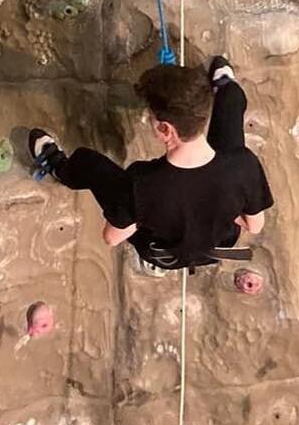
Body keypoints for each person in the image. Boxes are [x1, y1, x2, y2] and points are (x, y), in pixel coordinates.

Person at [29, 57, 272, 271]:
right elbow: (255, 225)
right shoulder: (243, 165)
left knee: (89, 162)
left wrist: (146, 214)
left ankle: (59, 167)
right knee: (231, 99)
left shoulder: (142, 182)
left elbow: (112, 238)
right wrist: (218, 211)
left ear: (165, 129)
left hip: (165, 253)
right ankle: (224, 86)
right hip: (218, 244)